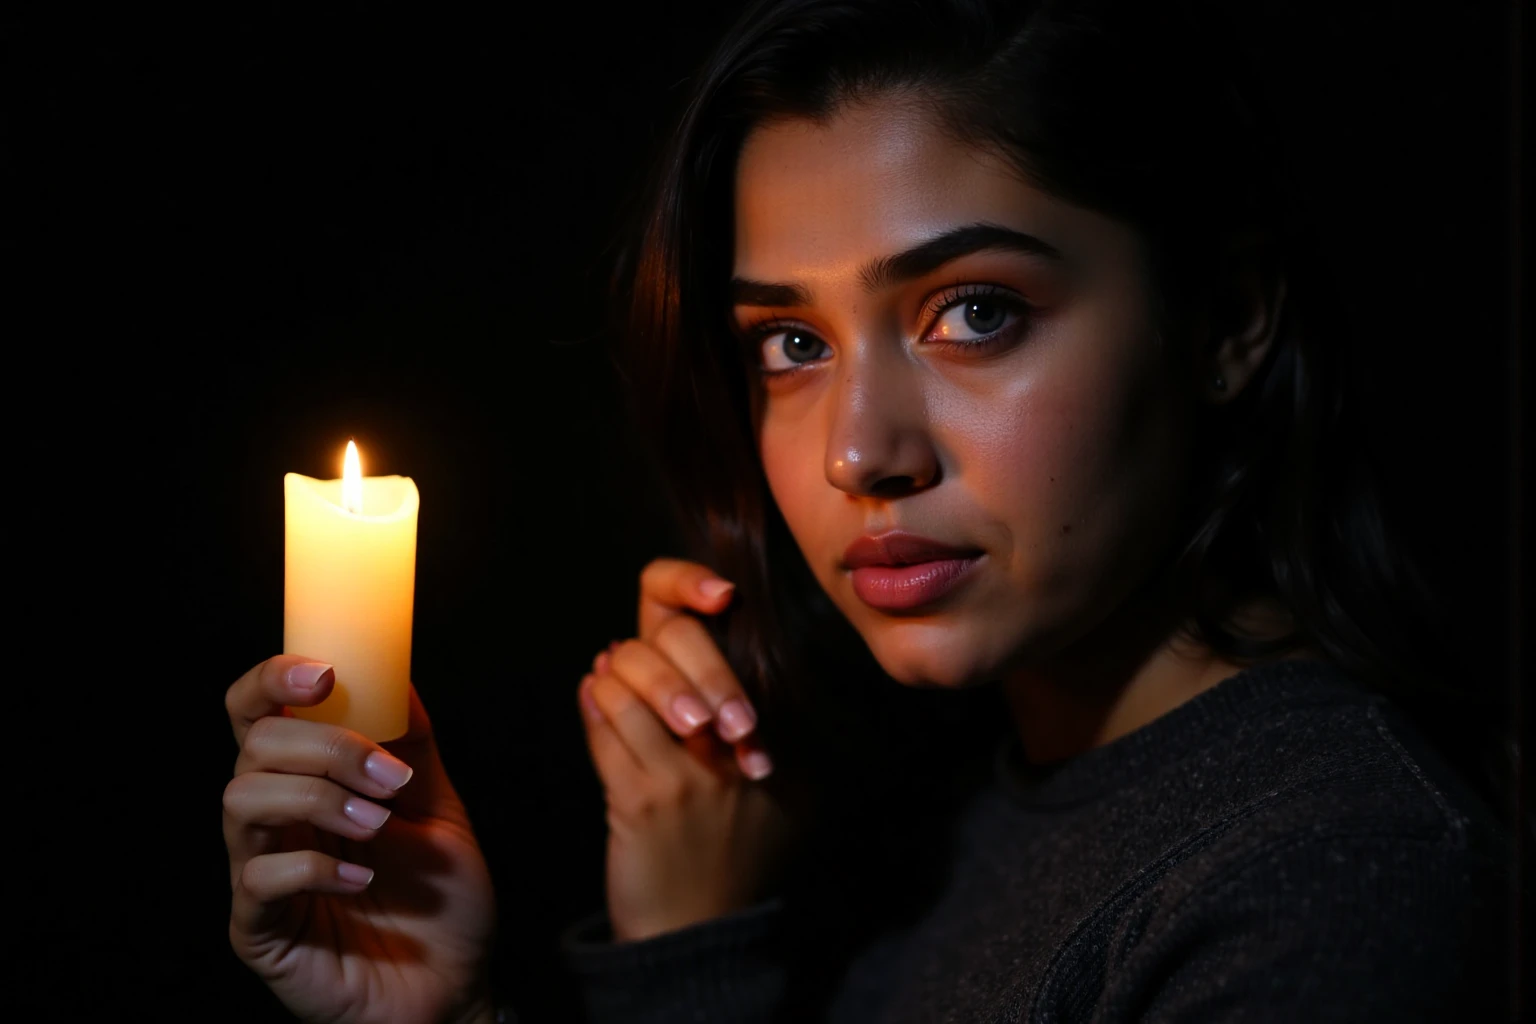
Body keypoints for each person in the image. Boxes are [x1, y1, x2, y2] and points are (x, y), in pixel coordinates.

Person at [221, 0, 1517, 1021]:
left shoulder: (1337, 879)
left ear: (1227, 321)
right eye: (790, 342)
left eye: (974, 313)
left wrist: (688, 969)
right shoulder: (917, 810)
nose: (859, 452)